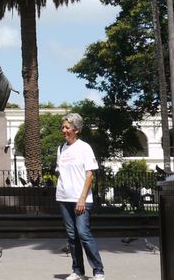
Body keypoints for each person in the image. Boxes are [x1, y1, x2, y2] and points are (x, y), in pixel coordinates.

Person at [55, 113, 105, 280]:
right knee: (72, 236)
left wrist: (82, 198)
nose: (64, 130)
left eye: (67, 127)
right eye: (63, 127)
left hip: (81, 199)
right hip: (63, 198)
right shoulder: (61, 148)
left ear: (76, 130)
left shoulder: (84, 147)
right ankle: (78, 271)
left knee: (83, 233)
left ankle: (98, 271)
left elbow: (89, 174)